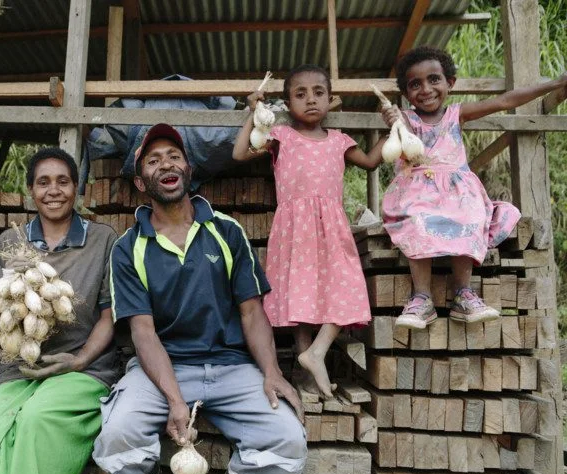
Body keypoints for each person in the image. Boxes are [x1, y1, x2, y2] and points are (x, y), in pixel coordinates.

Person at [92, 124, 306, 474]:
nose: (165, 164)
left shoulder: (226, 231)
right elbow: (143, 333)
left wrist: (272, 373)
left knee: (288, 440)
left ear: (188, 169)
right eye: (153, 160)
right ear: (141, 182)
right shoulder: (128, 247)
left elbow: (251, 312)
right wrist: (174, 400)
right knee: (117, 436)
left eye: (173, 155)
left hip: (231, 367)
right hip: (161, 372)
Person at [0, 147, 119, 474]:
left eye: (63, 181)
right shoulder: (10, 243)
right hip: (20, 367)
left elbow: (109, 316)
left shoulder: (102, 239)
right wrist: (14, 295)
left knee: (36, 420)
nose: (54, 190)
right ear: (30, 192)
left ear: (77, 188)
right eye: (43, 182)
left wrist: (80, 360)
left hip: (82, 370)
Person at [381, 46, 565, 329]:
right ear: (406, 94)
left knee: (468, 215)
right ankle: (422, 299)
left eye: (434, 79)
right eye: (415, 84)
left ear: (450, 83)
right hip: (417, 195)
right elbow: (386, 151)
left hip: (457, 194)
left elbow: (504, 101)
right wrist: (393, 124)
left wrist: (556, 84)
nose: (426, 89)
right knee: (417, 220)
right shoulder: (406, 121)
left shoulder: (458, 114)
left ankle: (464, 295)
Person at [231, 65, 386, 399]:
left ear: (331, 100)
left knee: (347, 286)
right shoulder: (280, 137)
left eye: (319, 92)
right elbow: (240, 152)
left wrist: (395, 131)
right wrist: (253, 112)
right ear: (287, 104)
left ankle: (316, 352)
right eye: (300, 94)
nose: (311, 100)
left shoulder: (341, 142)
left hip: (332, 226)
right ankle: (306, 373)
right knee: (302, 296)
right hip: (294, 228)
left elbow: (372, 161)